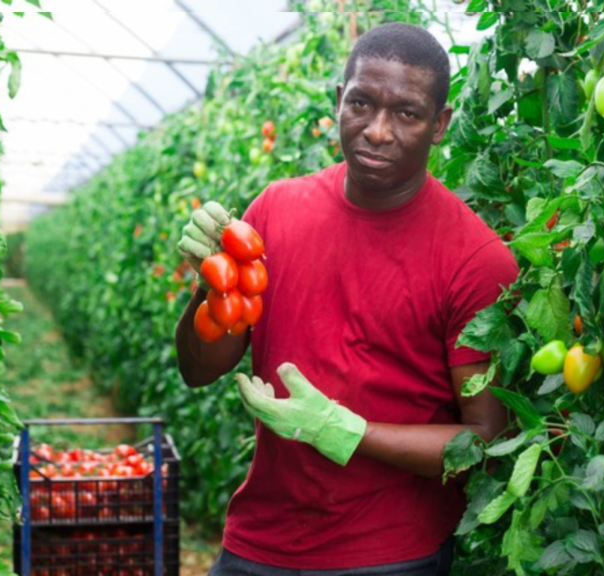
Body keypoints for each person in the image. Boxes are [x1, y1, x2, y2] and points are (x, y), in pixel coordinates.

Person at [174, 22, 519, 576]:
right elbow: (199, 368)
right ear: (339, 100)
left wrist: (345, 431)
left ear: (440, 125)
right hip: (260, 538)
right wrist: (211, 291)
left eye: (406, 113)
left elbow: (484, 440)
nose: (377, 131)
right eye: (361, 103)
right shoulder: (274, 212)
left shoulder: (474, 259)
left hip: (389, 554)